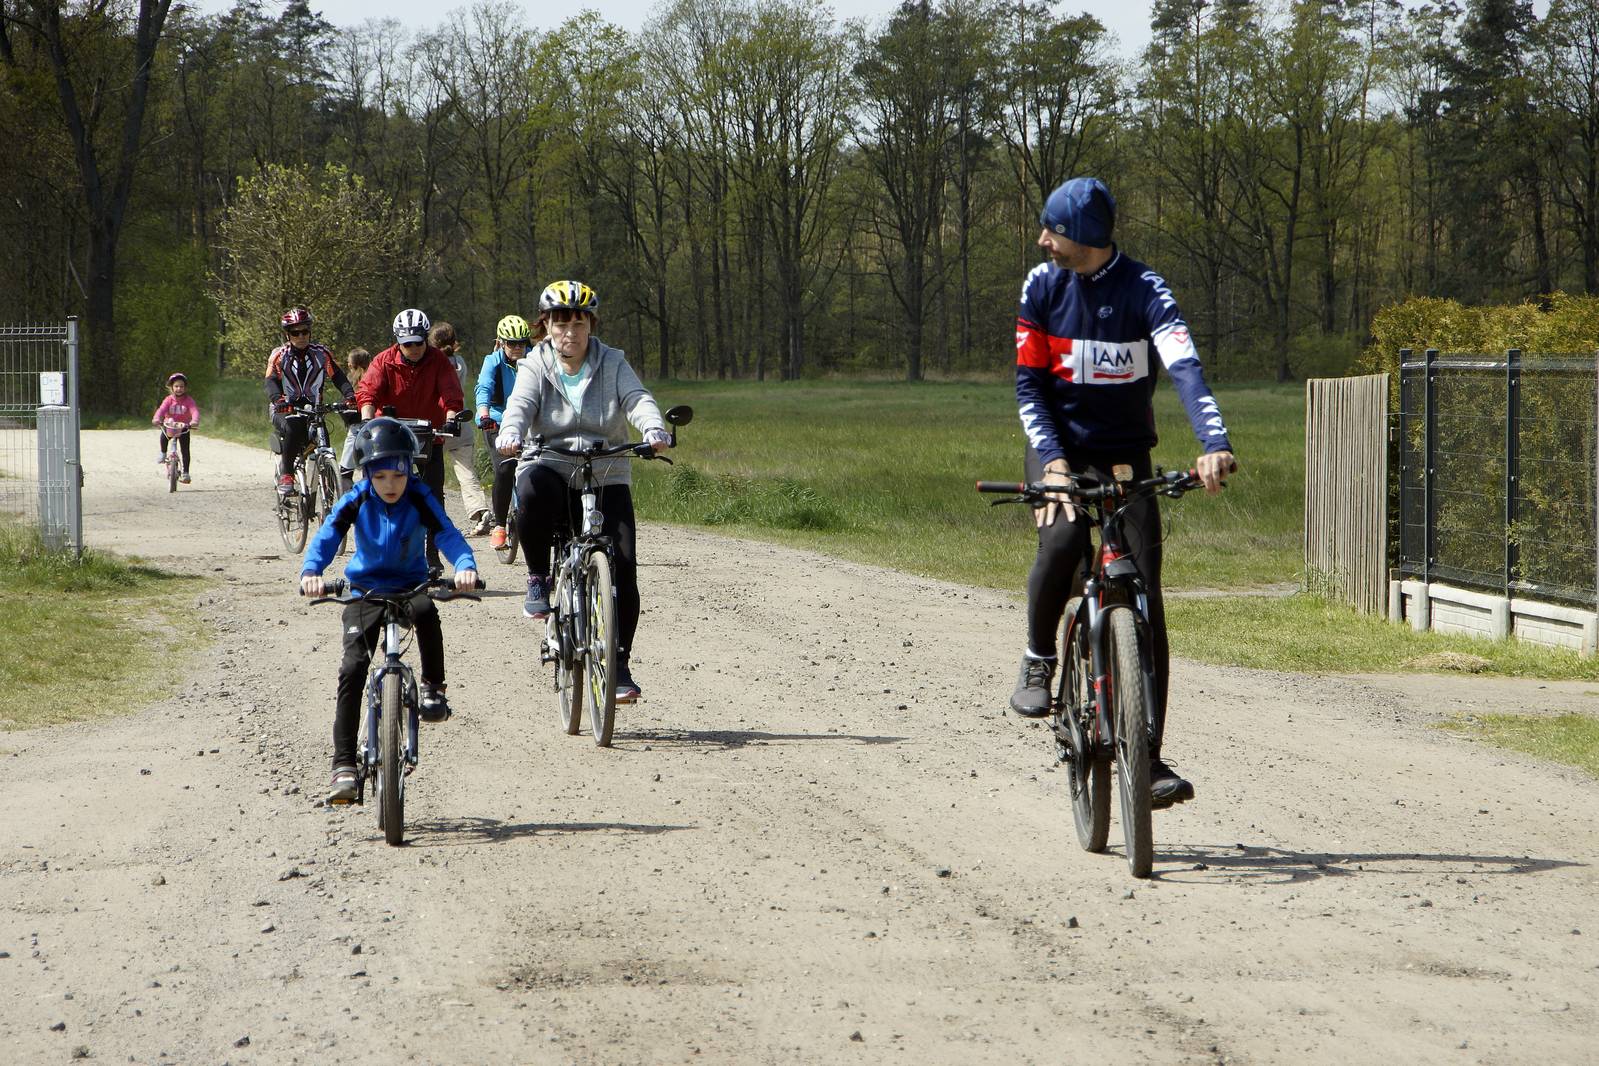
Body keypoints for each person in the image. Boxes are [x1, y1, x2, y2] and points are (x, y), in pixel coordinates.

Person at [1009, 176, 1236, 810]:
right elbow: (1029, 388)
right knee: (1059, 540)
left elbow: (1185, 368)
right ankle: (1037, 659)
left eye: (1050, 230)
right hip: (1060, 448)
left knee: (1145, 597)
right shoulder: (1042, 286)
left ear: (1078, 237)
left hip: (1126, 457)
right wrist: (1052, 464)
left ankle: (1149, 756)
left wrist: (1213, 441)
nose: (1042, 240)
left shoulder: (1147, 290)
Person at [495, 281, 669, 702]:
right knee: (530, 489)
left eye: (578, 323)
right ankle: (539, 578)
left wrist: (654, 426)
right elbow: (519, 404)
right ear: (546, 326)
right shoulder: (536, 363)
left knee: (624, 566)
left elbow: (636, 397)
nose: (569, 333)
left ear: (590, 325)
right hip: (551, 463)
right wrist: (511, 432)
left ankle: (619, 663)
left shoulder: (612, 361)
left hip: (606, 469)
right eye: (560, 324)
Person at [300, 417, 478, 805]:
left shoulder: (418, 495)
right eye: (380, 476)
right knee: (352, 669)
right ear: (366, 473)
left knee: (428, 615)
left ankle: (433, 688)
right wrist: (312, 571)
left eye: (397, 474)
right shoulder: (357, 497)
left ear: (408, 469)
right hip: (364, 589)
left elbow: (446, 531)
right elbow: (330, 533)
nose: (390, 485)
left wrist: (464, 565)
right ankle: (344, 764)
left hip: (410, 584)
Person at [356, 308, 465, 568]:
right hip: (390, 436)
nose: (413, 348)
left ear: (426, 338)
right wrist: (366, 419)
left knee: (433, 496)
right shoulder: (383, 360)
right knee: (377, 490)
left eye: (418, 342)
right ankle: (374, 549)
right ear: (398, 341)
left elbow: (451, 392)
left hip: (428, 434)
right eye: (407, 344)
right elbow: (368, 391)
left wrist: (451, 417)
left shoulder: (438, 360)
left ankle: (431, 556)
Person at [266, 307, 357, 497]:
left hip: (314, 409)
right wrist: (278, 399)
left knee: (322, 434)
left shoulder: (321, 354)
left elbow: (338, 376)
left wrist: (349, 395)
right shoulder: (279, 354)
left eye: (304, 331)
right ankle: (287, 474)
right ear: (288, 334)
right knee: (293, 427)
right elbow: (271, 380)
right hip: (285, 408)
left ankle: (329, 485)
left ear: (310, 331)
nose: (301, 336)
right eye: (295, 332)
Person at [475, 314, 538, 551]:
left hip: (528, 421)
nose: (517, 348)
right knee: (505, 467)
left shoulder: (534, 360)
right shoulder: (492, 361)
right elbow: (484, 388)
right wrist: (484, 415)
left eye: (522, 342)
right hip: (498, 421)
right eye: (512, 343)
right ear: (501, 342)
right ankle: (499, 524)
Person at [428, 321, 492, 535]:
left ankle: (431, 516)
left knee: (430, 474)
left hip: (438, 423)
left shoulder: (433, 364)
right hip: (460, 424)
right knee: (467, 473)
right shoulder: (461, 363)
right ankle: (481, 512)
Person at [152, 372, 200, 483]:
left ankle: (186, 473)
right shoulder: (168, 400)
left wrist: (194, 421)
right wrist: (156, 418)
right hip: (169, 426)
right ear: (172, 387)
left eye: (182, 386)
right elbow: (161, 410)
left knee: (185, 450)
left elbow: (194, 411)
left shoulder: (189, 400)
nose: (179, 389)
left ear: (185, 388)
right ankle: (163, 453)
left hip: (183, 427)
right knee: (163, 436)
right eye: (176, 386)